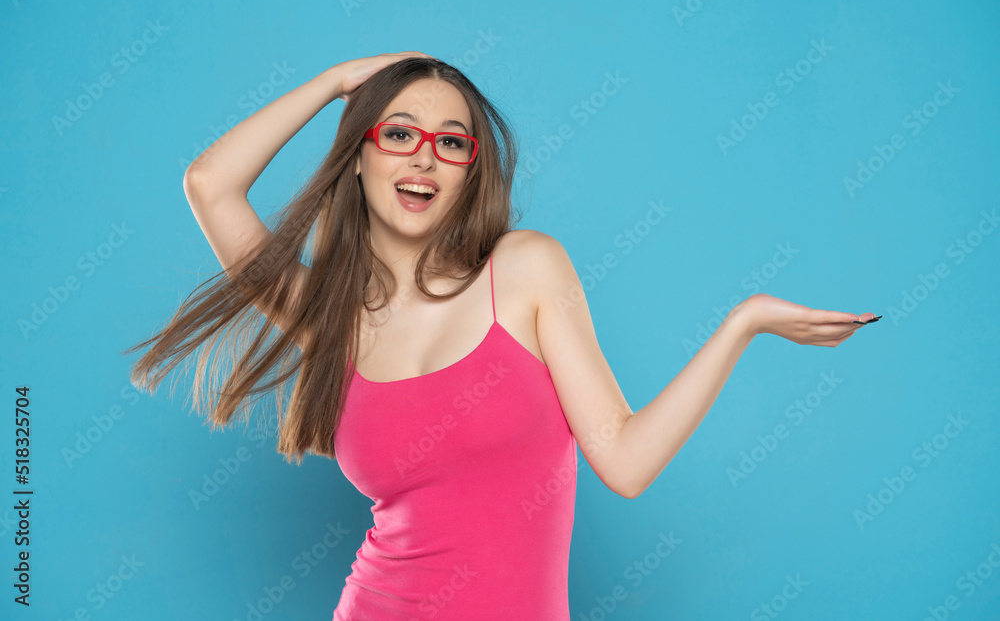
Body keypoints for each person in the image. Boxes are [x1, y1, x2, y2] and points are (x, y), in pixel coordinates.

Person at [123, 51, 878, 619]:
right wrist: (337, 82)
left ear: (468, 172)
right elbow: (210, 184)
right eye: (398, 132)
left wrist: (741, 323)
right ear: (357, 157)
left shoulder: (523, 271)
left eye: (453, 142)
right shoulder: (332, 318)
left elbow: (624, 457)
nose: (425, 154)